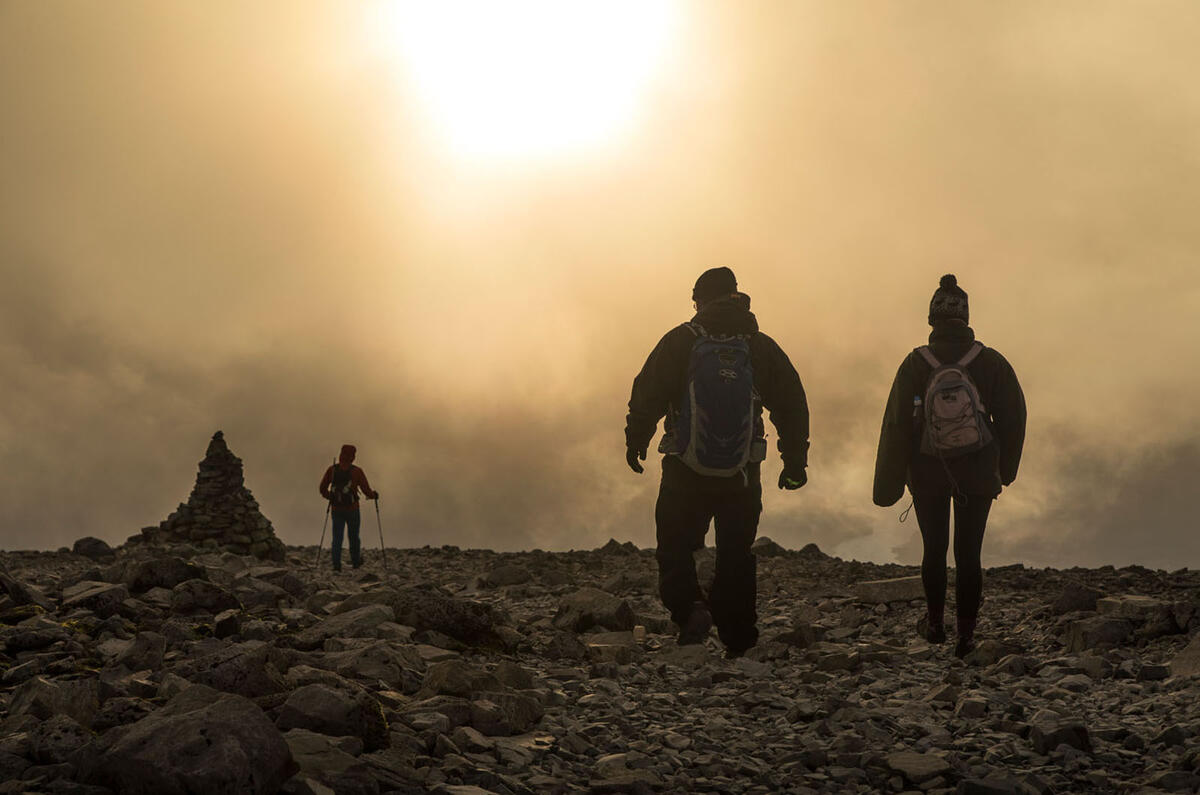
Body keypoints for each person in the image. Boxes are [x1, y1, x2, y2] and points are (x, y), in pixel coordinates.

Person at [625, 267, 810, 658]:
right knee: (736, 552)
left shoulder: (681, 340)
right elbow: (792, 404)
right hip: (742, 473)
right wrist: (794, 461)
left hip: (684, 469)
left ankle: (690, 609)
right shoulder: (759, 346)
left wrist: (636, 439)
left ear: (700, 300)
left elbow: (647, 392)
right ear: (735, 296)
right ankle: (739, 636)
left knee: (674, 544)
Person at [873, 274, 1026, 658]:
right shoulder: (990, 362)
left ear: (932, 320)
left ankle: (936, 624)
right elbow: (1014, 419)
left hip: (927, 470)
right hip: (977, 472)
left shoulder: (915, 363)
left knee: (934, 549)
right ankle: (966, 636)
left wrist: (890, 484)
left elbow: (895, 425)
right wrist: (1004, 470)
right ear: (966, 318)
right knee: (969, 553)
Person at [318, 444, 379, 571]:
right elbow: (366, 490)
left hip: (336, 509)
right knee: (354, 537)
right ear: (353, 456)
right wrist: (374, 495)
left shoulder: (332, 470)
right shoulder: (357, 471)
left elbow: (322, 488)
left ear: (341, 454)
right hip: (353, 509)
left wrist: (331, 497)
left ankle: (336, 565)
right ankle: (356, 563)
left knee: (337, 537)